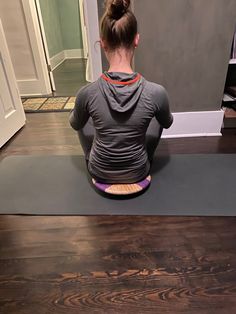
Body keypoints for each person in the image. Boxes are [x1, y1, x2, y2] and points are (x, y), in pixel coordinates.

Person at [69, 0, 173, 184]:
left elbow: (75, 125)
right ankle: (142, 156)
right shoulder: (157, 92)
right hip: (139, 172)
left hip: (98, 171)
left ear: (103, 43)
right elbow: (168, 122)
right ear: (136, 39)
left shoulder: (86, 92)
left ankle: (92, 155)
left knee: (81, 116)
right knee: (157, 115)